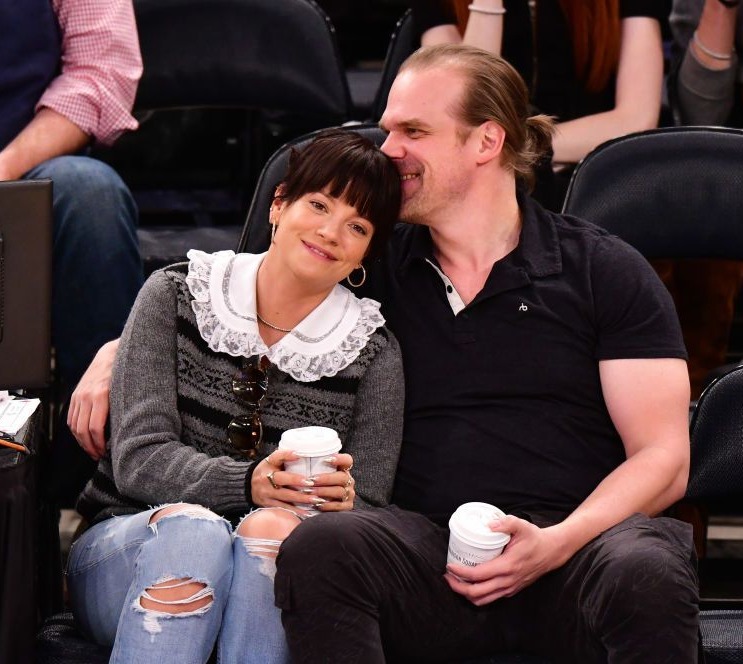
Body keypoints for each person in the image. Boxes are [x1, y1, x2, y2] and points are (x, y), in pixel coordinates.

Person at [272, 45, 699, 662]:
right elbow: (245, 296)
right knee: (325, 546)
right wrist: (118, 351)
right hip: (424, 555)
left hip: (578, 553)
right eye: (388, 128)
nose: (388, 150)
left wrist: (557, 541)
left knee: (646, 566)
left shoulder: (603, 269)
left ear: (486, 141)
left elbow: (664, 457)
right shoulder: (374, 261)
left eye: (413, 131)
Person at [65, 130, 405, 663]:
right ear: (279, 203)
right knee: (195, 533)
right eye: (318, 204)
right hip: (131, 547)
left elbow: (373, 506)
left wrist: (344, 505)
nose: (329, 231)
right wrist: (249, 483)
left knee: (273, 536)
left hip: (270, 574)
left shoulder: (375, 354)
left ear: (366, 252)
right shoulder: (175, 295)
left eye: (357, 226)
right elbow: (138, 460)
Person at [0, 0, 144, 504]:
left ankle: (105, 474)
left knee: (91, 195)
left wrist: (5, 168)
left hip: (23, 163)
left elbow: (100, 74)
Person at [411, 0, 666, 211]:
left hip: (593, 188)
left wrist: (520, 150)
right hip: (482, 195)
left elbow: (637, 118)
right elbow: (461, 112)